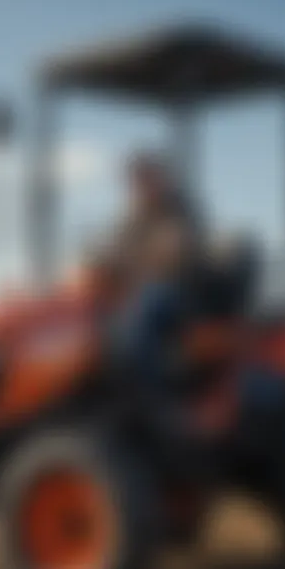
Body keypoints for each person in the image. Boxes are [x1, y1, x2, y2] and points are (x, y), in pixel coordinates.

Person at [92, 151, 205, 400]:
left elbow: (171, 254)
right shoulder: (132, 218)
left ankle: (151, 397)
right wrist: (97, 263)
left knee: (144, 307)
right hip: (136, 291)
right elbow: (112, 252)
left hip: (177, 293)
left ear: (161, 179)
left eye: (146, 178)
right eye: (136, 181)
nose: (141, 185)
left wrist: (128, 270)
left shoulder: (178, 212)